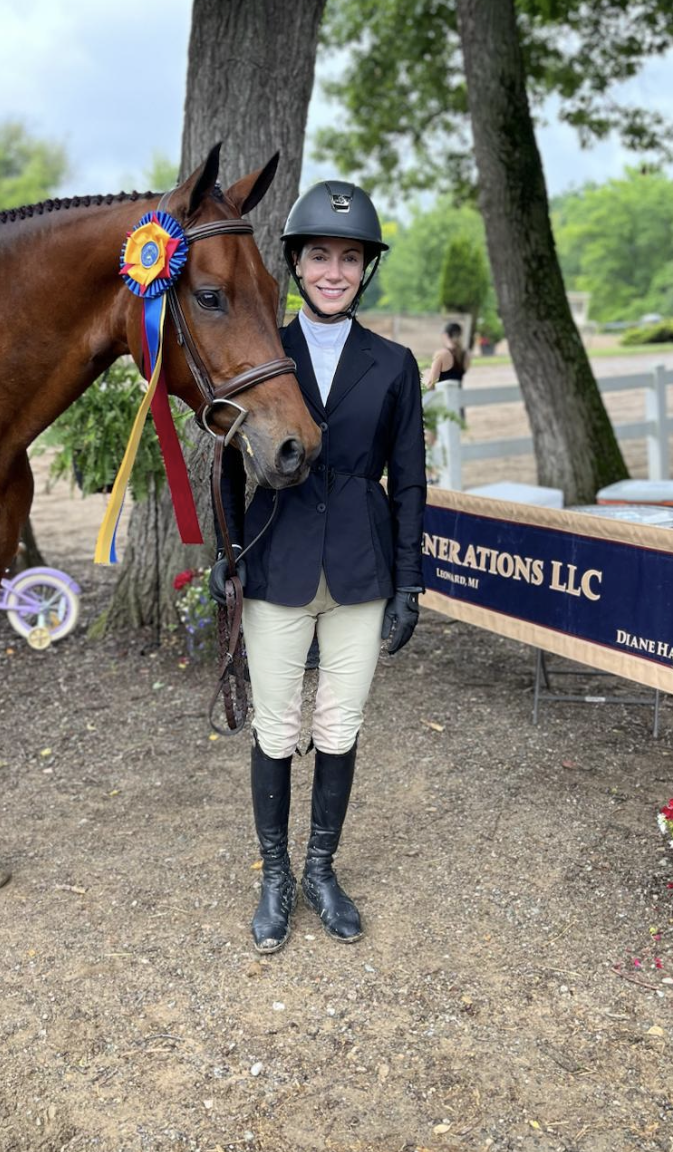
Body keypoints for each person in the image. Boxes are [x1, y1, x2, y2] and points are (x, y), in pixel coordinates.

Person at [210, 179, 427, 954]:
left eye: (349, 258)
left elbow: (408, 480)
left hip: (363, 572)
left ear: (365, 268)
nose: (333, 270)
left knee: (340, 724)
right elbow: (231, 468)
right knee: (276, 726)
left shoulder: (395, 364)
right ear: (295, 264)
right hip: (277, 562)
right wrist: (228, 559)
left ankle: (322, 870)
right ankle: (274, 876)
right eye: (319, 256)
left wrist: (410, 582)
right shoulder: (264, 350)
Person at [422, 321, 468, 391]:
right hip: (458, 398)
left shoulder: (441, 354)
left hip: (443, 399)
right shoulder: (465, 355)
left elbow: (432, 383)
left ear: (445, 335)